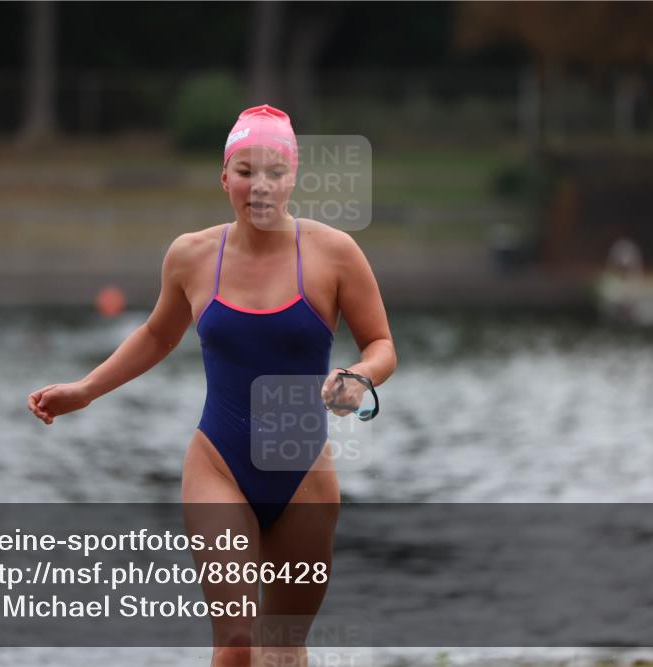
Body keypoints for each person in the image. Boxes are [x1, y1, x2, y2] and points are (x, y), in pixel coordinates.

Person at [28, 104, 396, 666]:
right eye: (246, 171)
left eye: (275, 171)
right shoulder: (191, 256)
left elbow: (382, 346)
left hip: (304, 477)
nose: (261, 186)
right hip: (218, 464)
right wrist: (85, 390)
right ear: (225, 177)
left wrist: (357, 377)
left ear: (293, 176)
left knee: (282, 650)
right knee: (237, 643)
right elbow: (156, 334)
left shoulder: (335, 253)